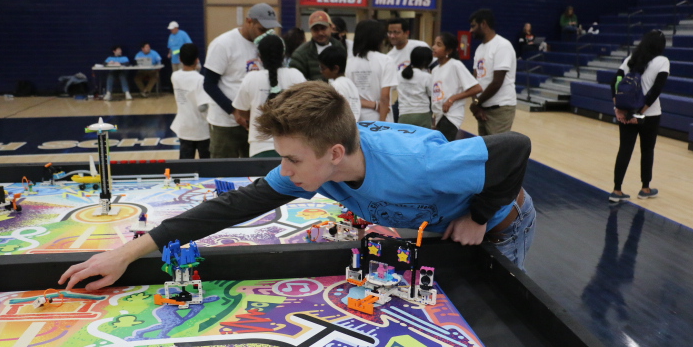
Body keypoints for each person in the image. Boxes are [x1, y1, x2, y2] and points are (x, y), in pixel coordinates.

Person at [58, 81, 536, 292]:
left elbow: (515, 146)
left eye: (290, 159)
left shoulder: (420, 165)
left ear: (333, 154)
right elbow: (231, 208)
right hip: (437, 223)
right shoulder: (314, 169)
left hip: (499, 225)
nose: (283, 171)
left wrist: (477, 215)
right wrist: (125, 254)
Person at [203, 3, 281, 159]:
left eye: (269, 31)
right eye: (261, 29)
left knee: (251, 173)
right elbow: (209, 84)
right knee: (222, 172)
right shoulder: (223, 44)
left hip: (253, 124)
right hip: (225, 123)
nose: (265, 34)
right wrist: (234, 111)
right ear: (249, 21)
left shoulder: (267, 45)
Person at [609, 30, 669, 203]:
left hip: (626, 112)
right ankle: (645, 188)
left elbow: (615, 82)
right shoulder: (662, 61)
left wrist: (618, 109)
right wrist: (640, 113)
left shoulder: (630, 59)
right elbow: (655, 91)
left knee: (624, 150)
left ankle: (617, 190)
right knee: (647, 150)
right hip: (650, 114)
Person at [233, 34, 306, 157]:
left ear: (260, 56)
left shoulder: (251, 78)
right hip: (293, 147)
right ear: (283, 54)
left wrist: (256, 117)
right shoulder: (296, 76)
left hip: (259, 148)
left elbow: (241, 111)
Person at [469, 9, 518, 137]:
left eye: (473, 26)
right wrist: (476, 104)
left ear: (483, 24)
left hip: (500, 109)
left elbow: (497, 82)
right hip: (482, 108)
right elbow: (474, 82)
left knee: (498, 152)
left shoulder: (502, 45)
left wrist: (477, 103)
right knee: (485, 152)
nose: (471, 30)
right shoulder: (479, 49)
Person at [431, 32, 483, 141]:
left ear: (448, 51)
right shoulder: (435, 69)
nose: (434, 47)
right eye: (434, 44)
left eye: (439, 45)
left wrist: (452, 99)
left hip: (451, 117)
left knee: (444, 151)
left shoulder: (455, 65)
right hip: (439, 116)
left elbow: (477, 88)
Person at [345, 19, 399, 122]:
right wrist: (382, 123)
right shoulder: (386, 61)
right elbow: (385, 97)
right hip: (379, 118)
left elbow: (350, 96)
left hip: (357, 119)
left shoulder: (350, 63)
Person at [170, 43, 211, 159]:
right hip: (201, 129)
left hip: (184, 128)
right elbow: (202, 107)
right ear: (197, 60)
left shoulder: (174, 76)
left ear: (180, 59)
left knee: (185, 167)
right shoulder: (200, 79)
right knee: (207, 165)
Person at [387, 18, 431, 121]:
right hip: (405, 100)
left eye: (396, 32)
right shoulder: (389, 58)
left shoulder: (420, 46)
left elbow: (435, 66)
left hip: (426, 97)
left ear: (406, 33)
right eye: (390, 32)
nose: (392, 36)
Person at [289, 11, 345, 81]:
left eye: (323, 28)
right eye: (316, 29)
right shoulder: (301, 54)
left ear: (331, 27)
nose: (320, 33)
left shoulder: (339, 47)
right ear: (311, 31)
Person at [318, 46, 361, 121]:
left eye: (323, 68)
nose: (321, 71)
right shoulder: (350, 83)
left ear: (335, 69)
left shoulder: (335, 86)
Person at [397, 46, 434, 129]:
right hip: (422, 115)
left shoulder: (399, 74)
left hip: (404, 114)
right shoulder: (426, 76)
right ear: (426, 62)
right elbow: (432, 95)